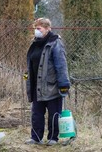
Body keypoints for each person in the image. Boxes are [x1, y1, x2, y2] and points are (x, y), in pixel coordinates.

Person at [25, 18, 71, 146]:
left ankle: (53, 138)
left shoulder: (55, 42)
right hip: (36, 85)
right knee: (36, 113)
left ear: (47, 29)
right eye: (35, 28)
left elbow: (61, 65)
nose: (36, 31)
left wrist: (64, 84)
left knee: (54, 114)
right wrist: (26, 77)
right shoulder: (34, 43)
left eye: (39, 28)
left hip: (52, 86)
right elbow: (30, 63)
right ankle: (36, 137)